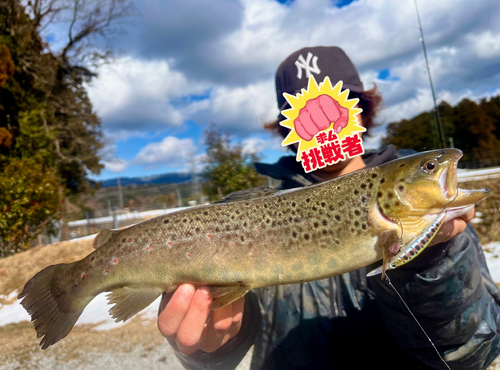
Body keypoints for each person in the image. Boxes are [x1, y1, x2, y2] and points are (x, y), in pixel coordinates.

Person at [157, 46, 500, 369]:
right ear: (288, 128)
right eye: (307, 114)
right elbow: (229, 335)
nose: (323, 123)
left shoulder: (427, 207)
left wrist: (428, 259)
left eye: (337, 106)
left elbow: (475, 353)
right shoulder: (249, 210)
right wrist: (209, 346)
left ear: (362, 112)